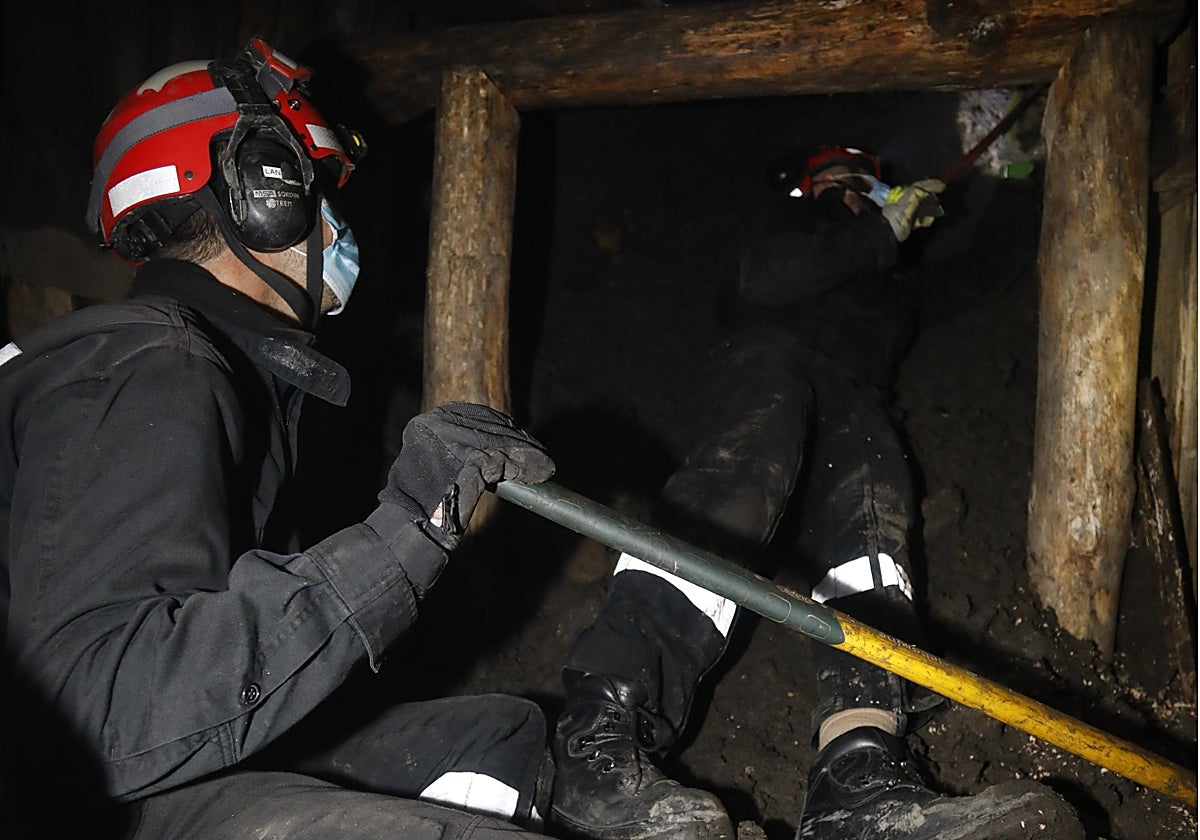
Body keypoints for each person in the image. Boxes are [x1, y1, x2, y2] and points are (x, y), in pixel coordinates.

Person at [0, 38, 559, 840]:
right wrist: (408, 529)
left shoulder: (187, 363)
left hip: (90, 782)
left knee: (499, 738)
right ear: (259, 188)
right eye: (316, 188)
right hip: (57, 799)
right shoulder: (154, 366)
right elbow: (99, 716)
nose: (333, 220)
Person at [547, 147, 1087, 840]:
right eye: (837, 180)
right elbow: (763, 278)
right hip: (765, 364)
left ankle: (857, 783)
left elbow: (986, 269)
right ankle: (600, 738)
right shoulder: (786, 235)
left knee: (873, 538)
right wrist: (876, 234)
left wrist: (1016, 174)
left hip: (856, 397)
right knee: (734, 493)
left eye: (865, 181)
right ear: (811, 188)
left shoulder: (891, 286)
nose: (854, 190)